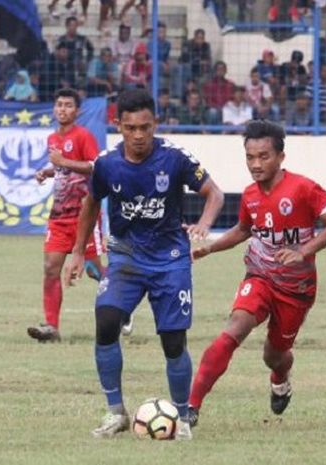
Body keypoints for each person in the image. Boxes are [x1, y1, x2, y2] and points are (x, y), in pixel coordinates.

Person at [64, 88, 225, 438]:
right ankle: (116, 413)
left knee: (172, 341)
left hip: (170, 260)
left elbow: (215, 193)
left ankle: (181, 418)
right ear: (118, 125)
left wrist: (204, 224)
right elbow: (91, 203)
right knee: (106, 321)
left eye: (146, 128)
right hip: (126, 256)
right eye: (131, 128)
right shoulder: (107, 163)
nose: (139, 136)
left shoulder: (175, 158)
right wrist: (78, 251)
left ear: (156, 124)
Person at [186, 120, 326, 427]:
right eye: (250, 157)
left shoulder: (304, 188)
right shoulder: (250, 195)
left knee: (275, 354)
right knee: (234, 328)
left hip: (296, 288)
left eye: (263, 156)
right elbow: (245, 229)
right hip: (259, 276)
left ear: (281, 157)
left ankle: (280, 378)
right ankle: (190, 407)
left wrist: (303, 252)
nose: (256, 164)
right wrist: (211, 248)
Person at [27, 88, 104, 342]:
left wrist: (63, 162)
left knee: (93, 270)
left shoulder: (83, 136)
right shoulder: (53, 138)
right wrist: (47, 171)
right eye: (59, 104)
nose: (62, 109)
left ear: (77, 111)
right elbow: (61, 167)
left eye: (68, 105)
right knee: (51, 268)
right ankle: (51, 328)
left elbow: (96, 168)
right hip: (59, 215)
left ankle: (122, 308)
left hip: (85, 215)